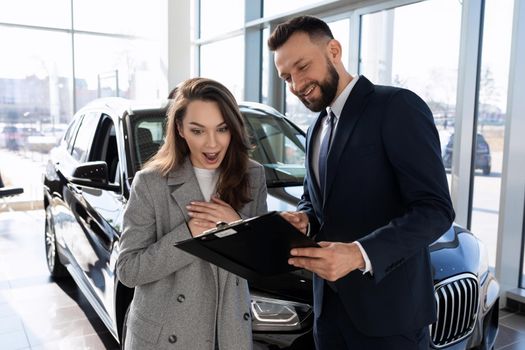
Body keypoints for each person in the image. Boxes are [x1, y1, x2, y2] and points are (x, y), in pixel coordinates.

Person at [268, 16, 455, 349]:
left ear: (334, 50)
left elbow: (436, 210)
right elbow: (315, 202)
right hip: (328, 315)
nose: (296, 85)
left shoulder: (397, 107)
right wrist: (304, 219)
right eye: (286, 77)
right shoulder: (315, 129)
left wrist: (359, 254)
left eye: (302, 67)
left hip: (389, 317)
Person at [117, 77, 268, 350]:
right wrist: (189, 235)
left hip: (229, 333)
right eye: (198, 131)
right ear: (180, 129)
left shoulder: (253, 175)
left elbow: (261, 263)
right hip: (166, 336)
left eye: (222, 129)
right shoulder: (151, 183)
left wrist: (237, 226)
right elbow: (128, 270)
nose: (212, 144)